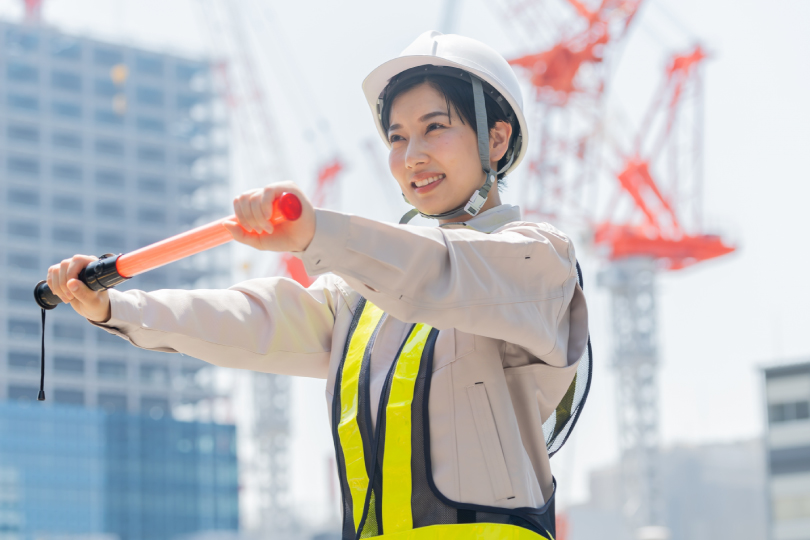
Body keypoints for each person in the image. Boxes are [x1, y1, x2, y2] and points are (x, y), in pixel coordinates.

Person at [47, 31, 589, 540]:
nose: (411, 156)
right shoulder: (366, 300)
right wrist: (113, 306)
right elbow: (251, 321)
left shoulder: (538, 261)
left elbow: (442, 274)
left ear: (497, 138)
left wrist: (315, 233)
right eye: (397, 137)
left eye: (434, 127)